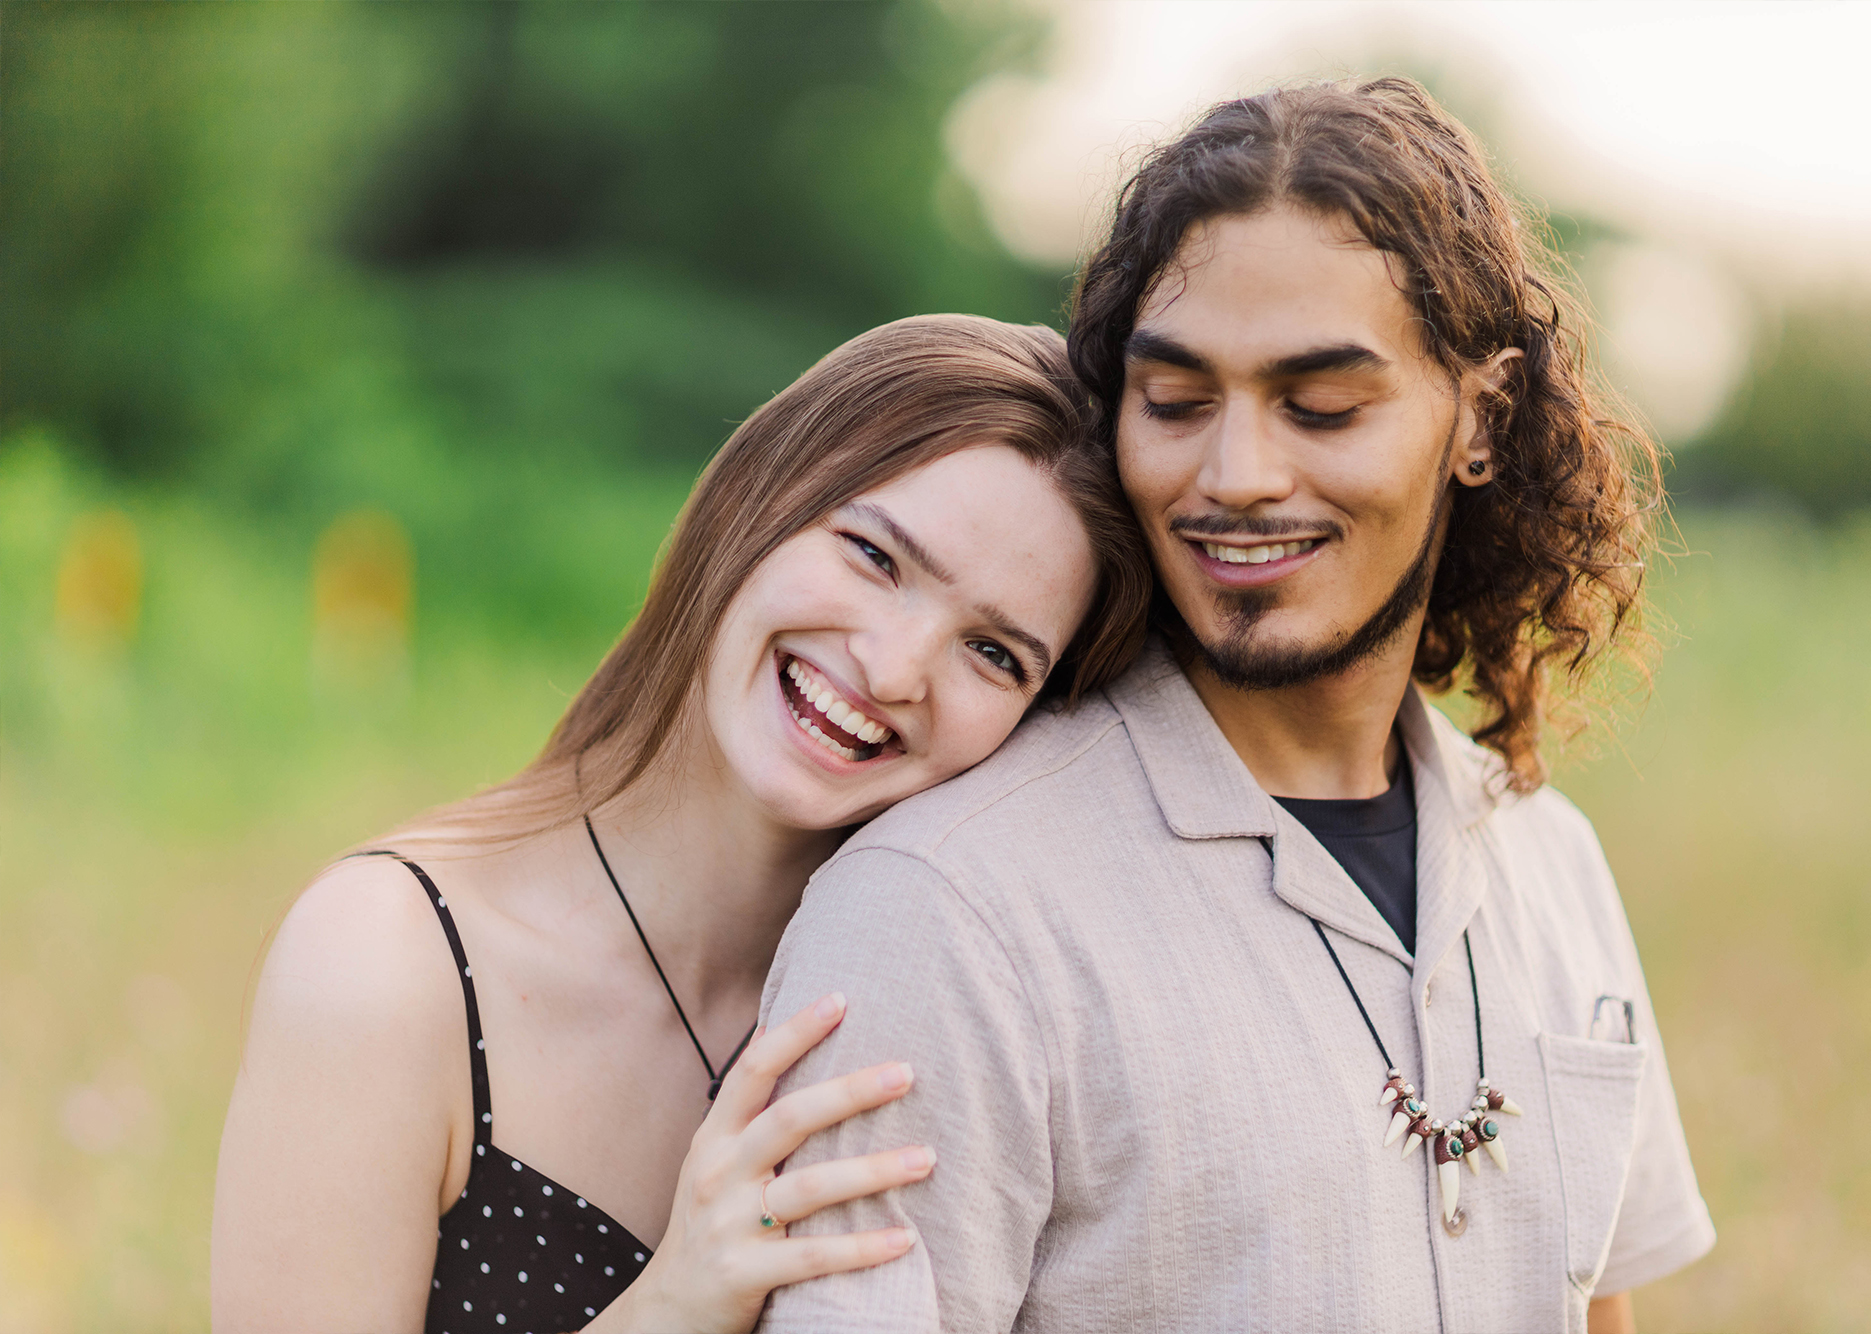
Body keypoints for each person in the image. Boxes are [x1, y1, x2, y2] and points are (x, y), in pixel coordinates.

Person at [757, 78, 1714, 1334]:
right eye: (1175, 401)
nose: (1235, 476)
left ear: (1477, 418)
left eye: (1321, 405)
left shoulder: (1552, 860)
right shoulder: (943, 912)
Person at [210, 315, 1152, 1334]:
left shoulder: (928, 1026)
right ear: (753, 498)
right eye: (875, 555)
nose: (891, 667)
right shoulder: (385, 962)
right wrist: (668, 1307)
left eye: (993, 652)